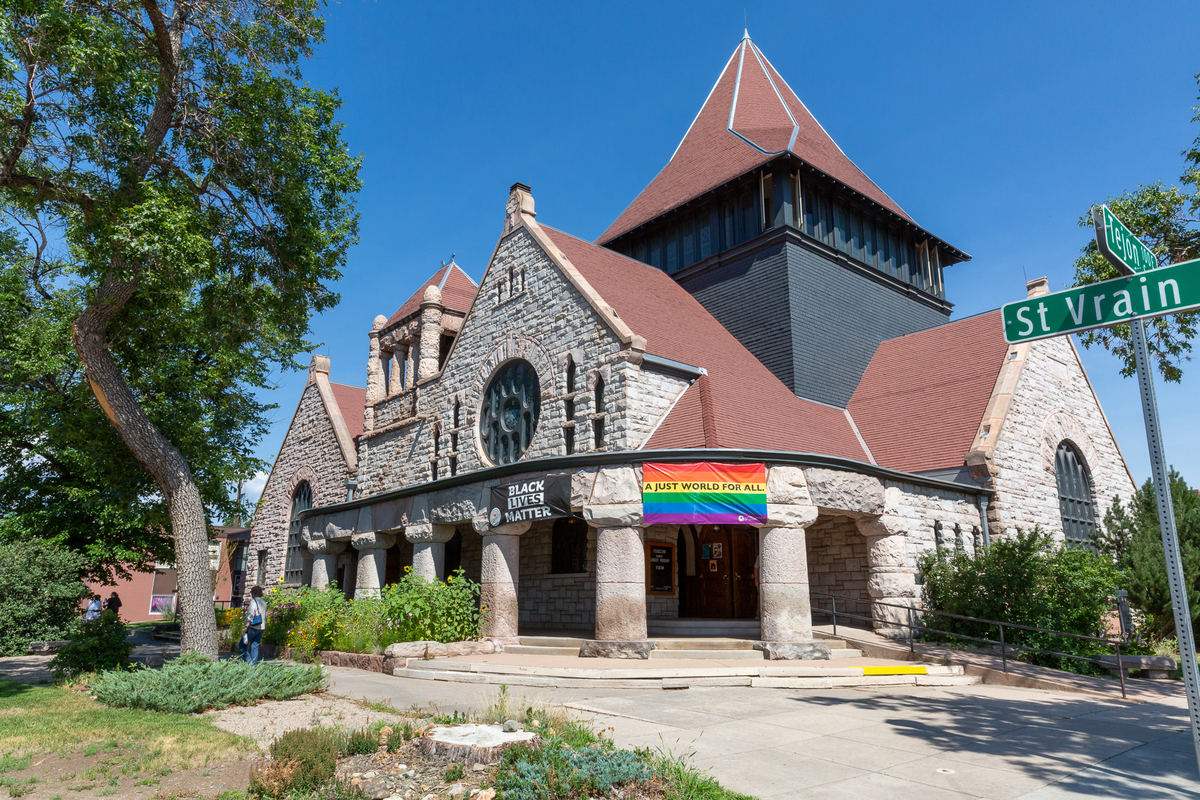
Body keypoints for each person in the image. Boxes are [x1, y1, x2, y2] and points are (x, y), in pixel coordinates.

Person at [238, 586, 267, 665]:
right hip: (261, 627)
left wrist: (246, 627)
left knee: (242, 645)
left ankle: (250, 663)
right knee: (254, 646)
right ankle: (253, 666)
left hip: (253, 627)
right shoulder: (263, 602)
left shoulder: (253, 601)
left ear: (254, 593)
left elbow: (251, 614)